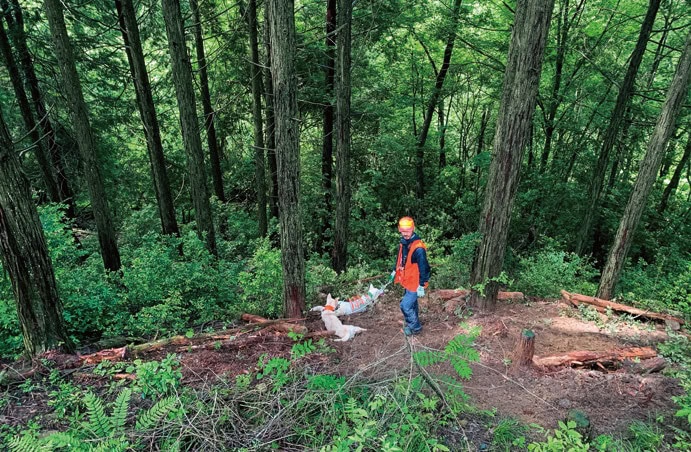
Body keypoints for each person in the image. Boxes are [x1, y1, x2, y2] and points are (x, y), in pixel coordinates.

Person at [388, 216, 430, 336]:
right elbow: (400, 259)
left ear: (413, 229)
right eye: (403, 231)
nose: (405, 234)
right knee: (412, 304)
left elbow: (424, 267)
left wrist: (422, 284)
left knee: (405, 306)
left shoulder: (418, 249)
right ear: (399, 230)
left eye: (407, 231)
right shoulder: (404, 243)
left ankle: (415, 328)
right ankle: (414, 323)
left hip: (415, 283)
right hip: (408, 280)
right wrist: (394, 271)